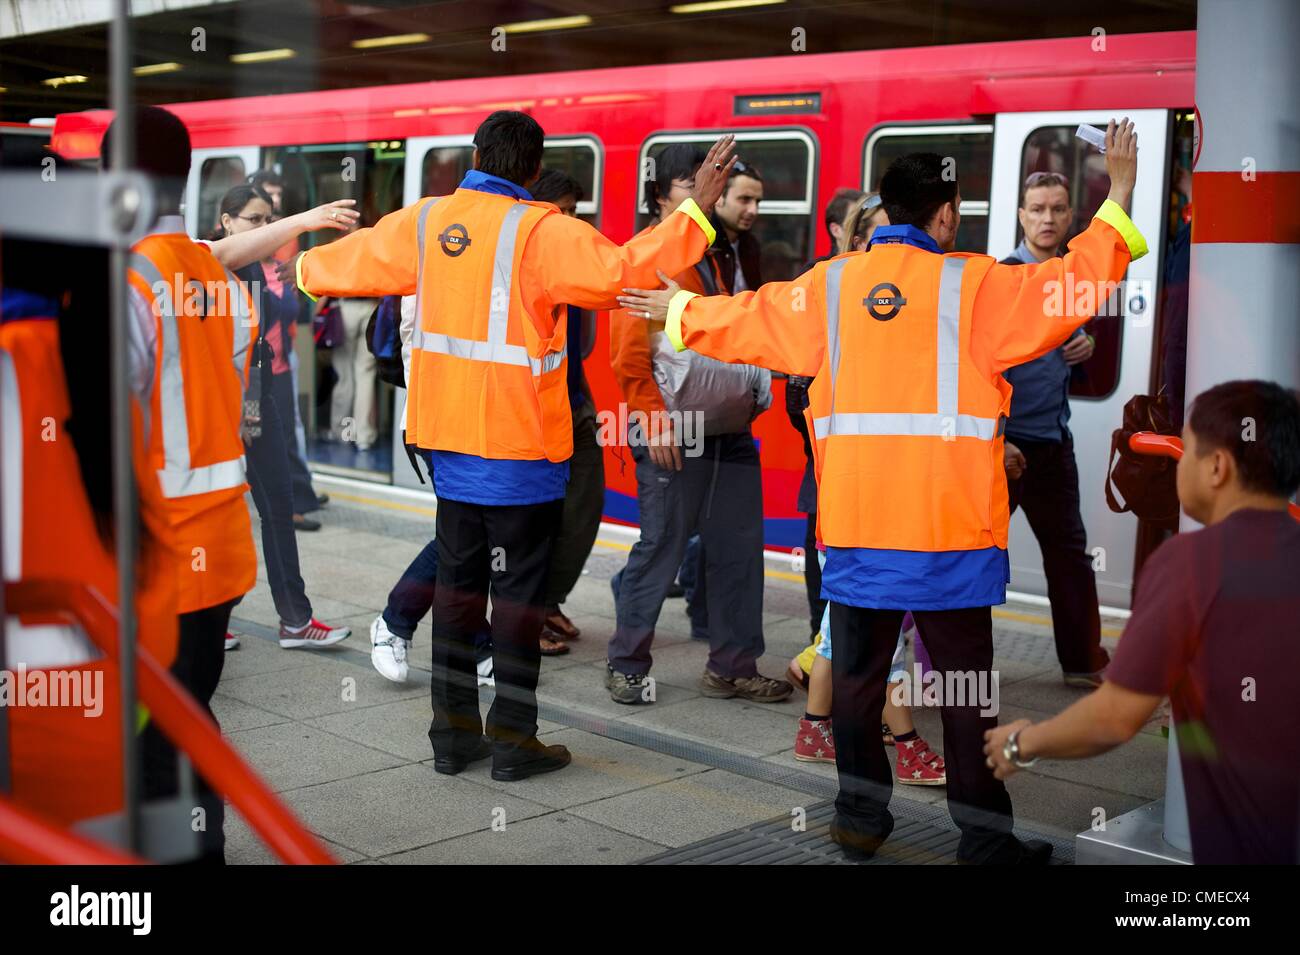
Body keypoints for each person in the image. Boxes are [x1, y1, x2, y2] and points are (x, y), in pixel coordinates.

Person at [619, 119, 1145, 864]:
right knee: (963, 692)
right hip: (949, 534)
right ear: (945, 215)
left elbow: (745, 320)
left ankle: (859, 820)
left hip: (860, 529)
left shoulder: (830, 286)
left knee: (860, 682)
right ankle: (985, 842)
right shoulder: (977, 285)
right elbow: (1077, 282)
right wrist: (1118, 191)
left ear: (889, 211)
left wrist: (675, 310)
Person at [290, 111, 736, 782]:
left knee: (457, 590)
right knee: (518, 602)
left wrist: (288, 262)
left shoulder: (425, 221)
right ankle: (513, 743)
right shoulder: (544, 232)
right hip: (521, 453)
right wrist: (697, 211)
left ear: (475, 154)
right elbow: (624, 273)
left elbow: (340, 266)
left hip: (447, 447)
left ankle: (451, 737)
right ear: (534, 170)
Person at [985, 380, 1300, 865]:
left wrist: (1021, 742)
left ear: (1217, 467)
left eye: (1187, 449)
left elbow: (1114, 718)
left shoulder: (1194, 563)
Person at [106, 105, 264, 862]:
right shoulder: (217, 276)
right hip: (223, 547)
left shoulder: (126, 283)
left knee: (149, 734)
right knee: (189, 711)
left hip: (154, 557)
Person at [607, 143, 790, 707]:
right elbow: (626, 354)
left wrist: (757, 388)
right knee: (661, 548)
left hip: (730, 428)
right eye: (692, 183)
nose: (705, 191)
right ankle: (627, 663)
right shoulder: (646, 254)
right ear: (661, 195)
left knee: (738, 552)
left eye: (711, 180)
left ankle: (733, 665)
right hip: (674, 428)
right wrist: (654, 422)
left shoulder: (727, 250)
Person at [787, 194, 945, 788]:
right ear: (856, 244)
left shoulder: (906, 312)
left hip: (887, 498)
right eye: (881, 238)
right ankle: (900, 740)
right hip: (846, 497)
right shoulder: (827, 305)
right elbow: (800, 404)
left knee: (843, 626)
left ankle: (816, 725)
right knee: (878, 628)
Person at [218, 183, 351, 650]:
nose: (265, 228)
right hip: (219, 395)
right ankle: (211, 619)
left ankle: (295, 619)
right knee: (221, 509)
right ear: (226, 221)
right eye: (255, 220)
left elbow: (288, 310)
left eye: (269, 219)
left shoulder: (261, 264)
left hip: (260, 388)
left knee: (277, 504)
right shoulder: (206, 260)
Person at [999, 171, 1108, 687]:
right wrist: (999, 438)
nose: (1047, 218)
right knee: (976, 556)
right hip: (1006, 448)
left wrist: (1085, 350)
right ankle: (949, 665)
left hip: (1052, 445)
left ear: (1070, 217)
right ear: (1021, 215)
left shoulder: (1071, 275)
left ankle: (1084, 663)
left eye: (1057, 209)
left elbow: (1061, 357)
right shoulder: (1003, 277)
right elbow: (982, 367)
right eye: (1037, 209)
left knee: (1069, 557)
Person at [530, 168, 606, 653]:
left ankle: (549, 599)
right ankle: (525, 614)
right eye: (562, 212)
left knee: (584, 506)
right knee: (536, 517)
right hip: (535, 410)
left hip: (576, 401)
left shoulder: (574, 262)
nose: (571, 223)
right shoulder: (526, 266)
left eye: (576, 213)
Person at [711, 159, 764, 292]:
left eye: (757, 202)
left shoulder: (751, 245)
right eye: (745, 199)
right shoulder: (703, 246)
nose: (753, 210)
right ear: (718, 197)